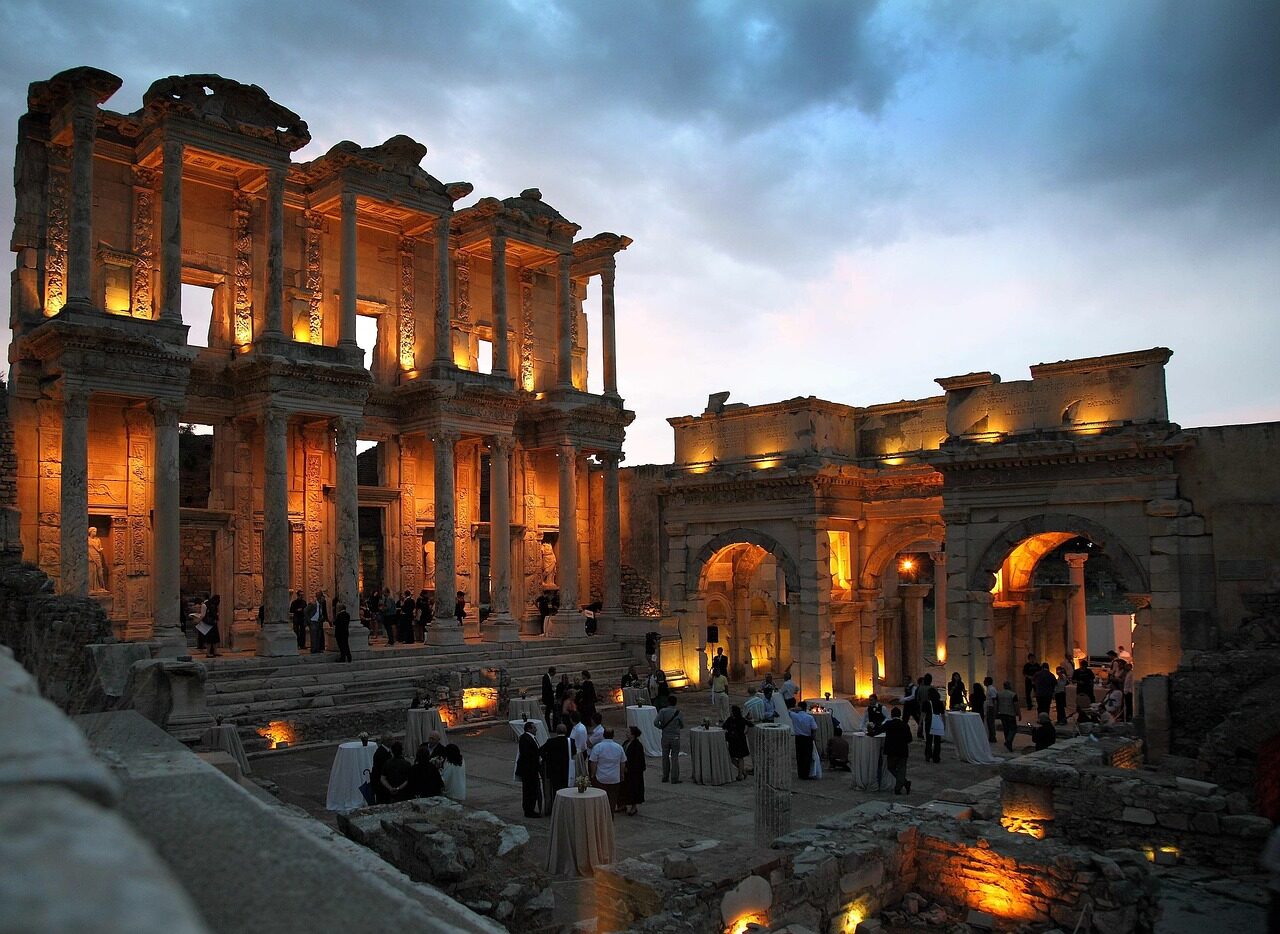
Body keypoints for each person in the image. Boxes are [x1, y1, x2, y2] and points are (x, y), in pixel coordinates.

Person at [589, 728, 627, 813]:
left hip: (601, 778)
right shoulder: (619, 747)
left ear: (603, 735)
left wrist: (593, 774)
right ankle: (610, 818)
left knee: (600, 802)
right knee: (612, 802)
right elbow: (622, 763)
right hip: (614, 779)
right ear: (613, 736)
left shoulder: (598, 747)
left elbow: (593, 763)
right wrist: (621, 775)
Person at [881, 706, 913, 795]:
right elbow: (909, 739)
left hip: (892, 751)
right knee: (902, 769)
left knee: (891, 767)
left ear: (891, 715)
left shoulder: (888, 724)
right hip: (903, 751)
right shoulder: (905, 725)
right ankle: (899, 787)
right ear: (900, 715)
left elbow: (879, 730)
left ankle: (903, 784)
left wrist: (870, 733)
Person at [540, 725, 571, 813]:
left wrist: (547, 759)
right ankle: (566, 808)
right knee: (566, 788)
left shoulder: (550, 742)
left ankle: (556, 808)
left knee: (555, 790)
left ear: (557, 732)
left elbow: (541, 751)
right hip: (566, 770)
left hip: (554, 770)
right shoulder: (570, 741)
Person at [516, 721, 543, 817]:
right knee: (529, 790)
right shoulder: (525, 739)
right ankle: (529, 810)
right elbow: (527, 755)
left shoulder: (529, 738)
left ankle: (530, 808)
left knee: (531, 790)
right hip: (529, 770)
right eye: (534, 728)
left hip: (531, 769)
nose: (536, 729)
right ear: (529, 729)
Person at [656, 695, 684, 783]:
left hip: (665, 736)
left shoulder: (663, 711)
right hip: (675, 736)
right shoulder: (679, 712)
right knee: (674, 757)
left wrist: (661, 727)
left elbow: (656, 722)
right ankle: (674, 778)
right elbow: (682, 725)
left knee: (665, 757)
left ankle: (665, 776)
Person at [789, 701, 818, 780]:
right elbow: (814, 729)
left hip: (798, 738)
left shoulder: (794, 715)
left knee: (799, 756)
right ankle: (806, 773)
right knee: (807, 756)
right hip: (807, 738)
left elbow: (789, 710)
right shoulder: (810, 717)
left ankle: (800, 773)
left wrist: (795, 709)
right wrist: (814, 739)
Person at [621, 726, 646, 815]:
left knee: (633, 789)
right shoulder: (626, 742)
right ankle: (623, 804)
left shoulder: (637, 745)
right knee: (624, 788)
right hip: (625, 770)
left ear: (633, 734)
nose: (626, 733)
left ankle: (633, 807)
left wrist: (630, 768)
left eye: (628, 732)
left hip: (634, 772)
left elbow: (638, 760)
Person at [723, 704, 750, 780]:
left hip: (736, 741)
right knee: (738, 757)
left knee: (735, 757)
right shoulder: (738, 719)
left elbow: (724, 727)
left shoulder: (734, 720)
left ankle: (740, 774)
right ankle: (742, 772)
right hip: (738, 741)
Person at [920, 674, 943, 763]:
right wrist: (943, 723)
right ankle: (936, 757)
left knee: (929, 740)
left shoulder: (926, 703)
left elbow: (923, 713)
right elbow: (943, 714)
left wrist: (920, 723)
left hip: (929, 721)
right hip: (938, 721)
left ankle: (928, 755)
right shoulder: (940, 703)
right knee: (937, 740)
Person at [995, 681, 1020, 752]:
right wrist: (1019, 714)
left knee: (1006, 730)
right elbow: (1016, 705)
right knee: (1013, 729)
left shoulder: (999, 694)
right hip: (1010, 713)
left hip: (1002, 713)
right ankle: (1008, 741)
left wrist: (996, 712)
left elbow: (996, 704)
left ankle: (1009, 745)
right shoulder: (1013, 694)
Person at [370, 733, 394, 804]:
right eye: (391, 740)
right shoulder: (381, 753)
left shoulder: (385, 751)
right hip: (380, 785)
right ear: (386, 741)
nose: (393, 741)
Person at [568, 713, 589, 779]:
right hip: (576, 752)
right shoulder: (576, 727)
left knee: (579, 773)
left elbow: (582, 744)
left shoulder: (580, 729)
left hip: (579, 753)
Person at [541, 666, 557, 730]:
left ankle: (550, 727)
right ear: (552, 672)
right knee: (549, 713)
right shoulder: (546, 677)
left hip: (549, 699)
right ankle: (549, 727)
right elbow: (546, 689)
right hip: (548, 699)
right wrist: (553, 691)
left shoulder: (547, 677)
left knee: (548, 713)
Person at [983, 676, 998, 742]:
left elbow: (994, 699)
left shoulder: (991, 689)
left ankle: (993, 737)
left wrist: (995, 709)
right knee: (989, 722)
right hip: (989, 707)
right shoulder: (989, 689)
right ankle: (991, 736)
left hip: (991, 707)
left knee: (991, 722)